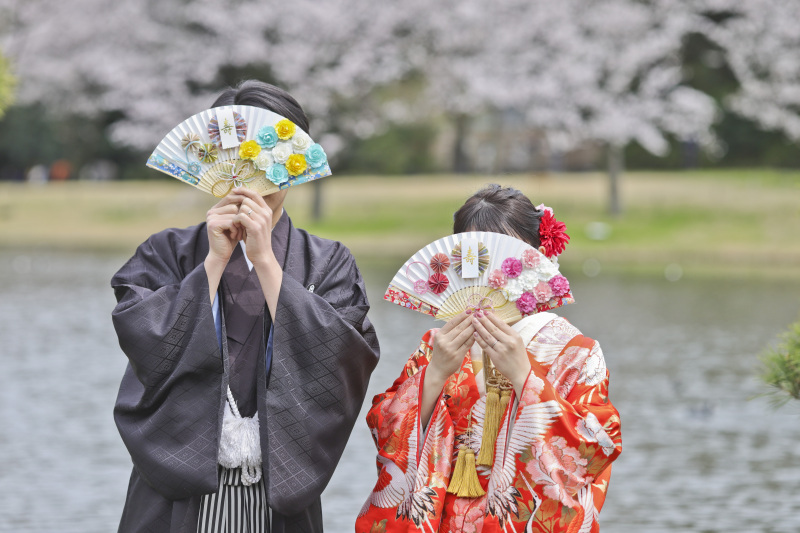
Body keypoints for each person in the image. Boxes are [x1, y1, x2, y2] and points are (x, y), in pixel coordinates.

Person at [111, 80, 380, 533]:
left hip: (280, 494)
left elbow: (342, 360)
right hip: (175, 497)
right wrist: (213, 262)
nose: (252, 177)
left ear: (296, 161)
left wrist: (266, 263)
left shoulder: (328, 262)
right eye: (236, 159)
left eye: (268, 160)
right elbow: (146, 343)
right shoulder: (167, 253)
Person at [357, 185, 621, 532]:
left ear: (540, 257)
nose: (488, 273)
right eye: (474, 258)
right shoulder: (439, 345)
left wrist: (525, 377)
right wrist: (434, 375)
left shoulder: (575, 352)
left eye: (503, 255)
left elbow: (595, 448)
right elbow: (385, 431)